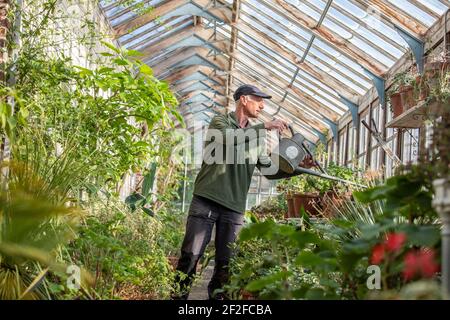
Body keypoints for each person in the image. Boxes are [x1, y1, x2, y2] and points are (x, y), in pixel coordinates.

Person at [172, 84, 315, 300]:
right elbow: (229, 139)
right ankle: (178, 298)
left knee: (225, 265)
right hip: (206, 200)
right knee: (190, 256)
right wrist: (265, 126)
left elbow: (269, 170)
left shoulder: (256, 137)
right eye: (259, 100)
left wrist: (298, 168)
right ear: (244, 100)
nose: (263, 105)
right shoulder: (220, 122)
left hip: (234, 207)